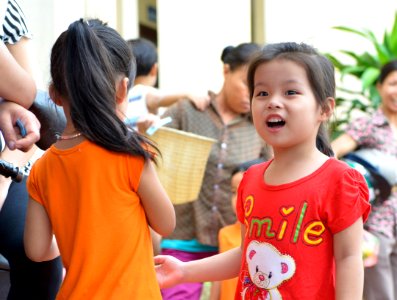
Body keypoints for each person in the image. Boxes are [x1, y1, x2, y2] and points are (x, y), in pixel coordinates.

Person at [155, 42, 371, 299]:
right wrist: (185, 271)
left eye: (290, 92)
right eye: (262, 93)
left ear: (324, 109)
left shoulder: (339, 180)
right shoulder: (251, 179)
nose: (273, 102)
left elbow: (349, 258)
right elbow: (247, 252)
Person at [23, 18, 175, 299]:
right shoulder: (129, 152)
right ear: (123, 89)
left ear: (54, 94)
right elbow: (165, 223)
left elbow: (36, 250)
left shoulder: (42, 168)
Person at [159, 42, 269, 300]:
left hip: (234, 240)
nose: (250, 95)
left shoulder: (261, 126)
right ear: (226, 70)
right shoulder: (187, 111)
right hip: (184, 234)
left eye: (258, 89)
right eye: (245, 83)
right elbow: (152, 145)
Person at [0, 1, 63, 299]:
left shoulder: (7, 10)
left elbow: (30, 101)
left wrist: (5, 172)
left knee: (43, 261)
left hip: (7, 161)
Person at [331, 60, 397, 300]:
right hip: (375, 222)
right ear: (379, 86)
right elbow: (332, 153)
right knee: (380, 292)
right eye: (393, 83)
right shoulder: (367, 124)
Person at [125, 37, 210, 132]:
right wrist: (187, 95)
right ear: (154, 69)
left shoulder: (125, 94)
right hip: (140, 142)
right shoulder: (143, 91)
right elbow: (159, 99)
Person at [209, 158, 265, 300]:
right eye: (234, 192)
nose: (238, 199)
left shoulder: (271, 236)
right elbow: (219, 276)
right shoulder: (225, 233)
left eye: (245, 191)